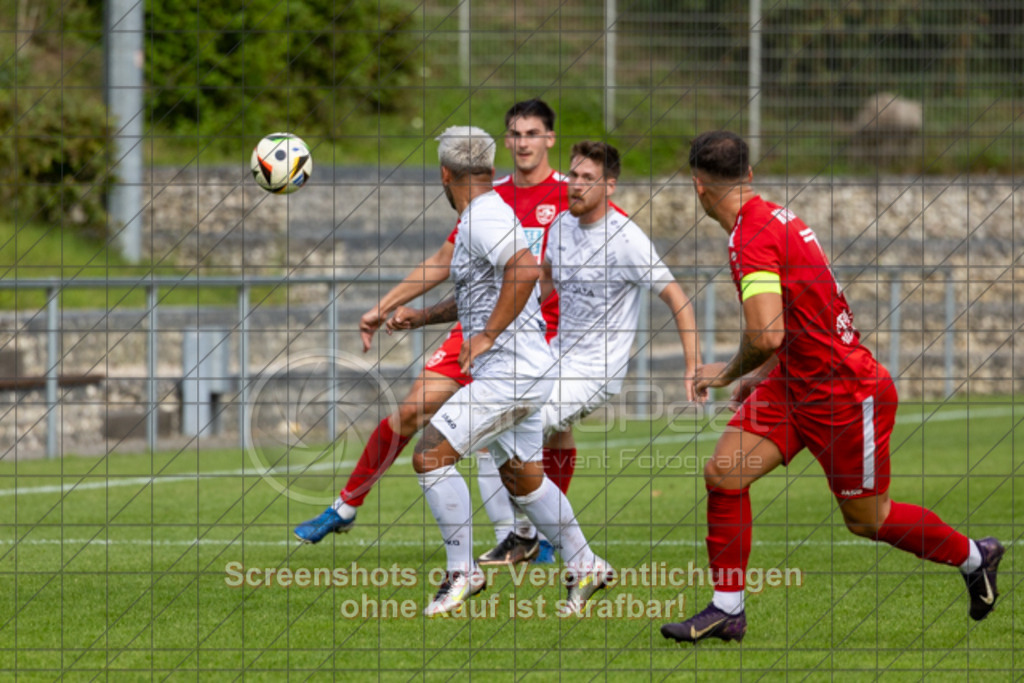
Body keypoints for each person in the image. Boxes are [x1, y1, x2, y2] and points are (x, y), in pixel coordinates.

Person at [660, 131, 1004, 644]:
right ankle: (727, 611)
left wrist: (728, 372)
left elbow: (767, 332)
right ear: (748, 175)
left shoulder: (750, 238)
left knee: (867, 520)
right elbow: (796, 321)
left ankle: (976, 557)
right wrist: (761, 375)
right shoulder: (777, 216)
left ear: (697, 188)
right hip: (794, 381)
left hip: (843, 394)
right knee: (725, 474)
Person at [294, 100, 577, 565]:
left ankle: (533, 543)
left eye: (533, 133)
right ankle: (346, 506)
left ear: (549, 139)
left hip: (534, 337)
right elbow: (444, 263)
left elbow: (582, 250)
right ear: (503, 144)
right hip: (476, 331)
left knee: (540, 440)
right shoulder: (488, 196)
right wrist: (388, 306)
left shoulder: (572, 193)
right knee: (410, 414)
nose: (524, 142)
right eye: (516, 133)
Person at [394, 125, 611, 616]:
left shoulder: (480, 219)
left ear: (444, 175)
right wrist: (423, 316)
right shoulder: (492, 212)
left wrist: (488, 335)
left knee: (430, 455)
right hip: (527, 369)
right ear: (492, 171)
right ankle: (586, 564)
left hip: (510, 373)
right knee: (522, 477)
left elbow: (526, 270)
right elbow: (481, 292)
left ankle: (462, 572)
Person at [538, 140, 701, 457]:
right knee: (502, 420)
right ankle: (549, 509)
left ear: (609, 186)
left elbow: (678, 299)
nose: (577, 185)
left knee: (517, 428)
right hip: (554, 356)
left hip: (596, 372)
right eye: (573, 175)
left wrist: (693, 365)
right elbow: (546, 275)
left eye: (588, 178)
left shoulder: (626, 240)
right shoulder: (560, 226)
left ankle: (507, 508)